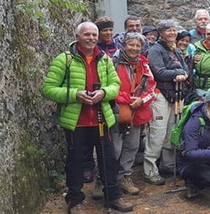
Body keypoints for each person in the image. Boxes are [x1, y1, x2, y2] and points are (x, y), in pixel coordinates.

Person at [41, 22, 134, 213]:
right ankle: (75, 201)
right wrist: (75, 94)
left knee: (108, 160)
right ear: (77, 37)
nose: (91, 38)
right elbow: (48, 89)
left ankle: (113, 197)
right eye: (87, 34)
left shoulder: (105, 59)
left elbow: (115, 85)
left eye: (94, 34)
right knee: (75, 162)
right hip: (76, 122)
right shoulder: (64, 60)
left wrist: (104, 93)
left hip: (101, 119)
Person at [144, 20, 190, 185]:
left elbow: (186, 69)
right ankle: (150, 170)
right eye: (169, 30)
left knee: (172, 130)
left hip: (175, 95)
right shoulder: (155, 50)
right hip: (160, 95)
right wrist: (177, 73)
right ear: (161, 33)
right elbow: (158, 72)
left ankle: (168, 164)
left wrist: (181, 73)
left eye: (174, 30)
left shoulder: (176, 50)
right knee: (157, 132)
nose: (172, 33)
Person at [111, 32, 156, 196]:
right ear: (123, 45)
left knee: (132, 146)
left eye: (138, 45)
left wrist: (141, 100)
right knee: (114, 148)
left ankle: (124, 176)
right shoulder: (112, 63)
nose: (135, 48)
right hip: (117, 110)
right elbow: (108, 85)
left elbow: (151, 87)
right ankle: (104, 179)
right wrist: (127, 99)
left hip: (137, 110)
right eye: (131, 44)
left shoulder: (144, 65)